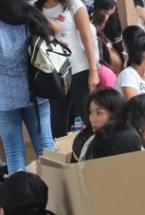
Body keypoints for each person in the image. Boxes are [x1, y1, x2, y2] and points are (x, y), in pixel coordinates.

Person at [0, 0, 56, 173]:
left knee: (14, 153)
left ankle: (21, 198)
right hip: (35, 92)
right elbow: (54, 29)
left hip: (4, 101)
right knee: (46, 147)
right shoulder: (26, 17)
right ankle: (58, 191)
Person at [36, 0, 101, 137]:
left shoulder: (73, 4)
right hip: (54, 75)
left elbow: (87, 38)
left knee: (90, 118)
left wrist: (93, 71)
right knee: (57, 127)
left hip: (79, 69)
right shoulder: (36, 9)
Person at [72, 87, 126, 160]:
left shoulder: (127, 139)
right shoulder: (82, 140)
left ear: (115, 114)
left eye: (99, 113)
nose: (92, 119)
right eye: (91, 112)